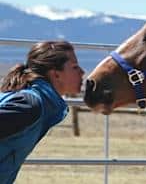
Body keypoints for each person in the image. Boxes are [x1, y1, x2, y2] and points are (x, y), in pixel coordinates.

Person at [0, 40, 84, 184]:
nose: (82, 72)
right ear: (55, 74)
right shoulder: (30, 105)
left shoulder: (37, 102)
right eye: (75, 67)